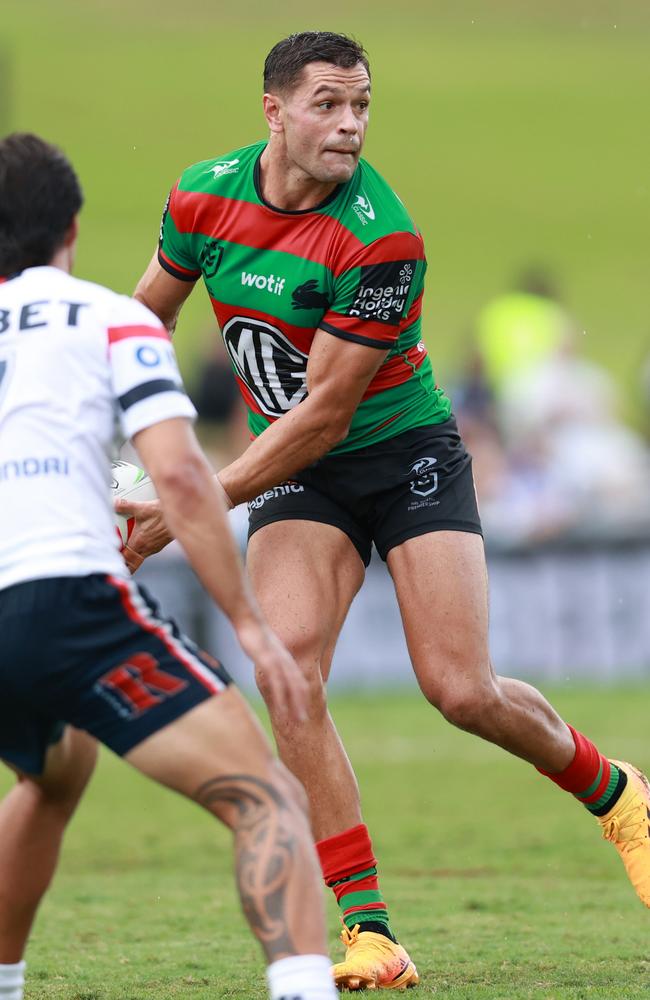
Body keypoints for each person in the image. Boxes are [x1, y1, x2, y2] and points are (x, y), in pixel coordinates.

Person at [123, 32, 650, 991]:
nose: (351, 124)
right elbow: (143, 320)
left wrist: (185, 501)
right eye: (328, 104)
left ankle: (618, 796)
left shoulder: (380, 234)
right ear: (274, 112)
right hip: (299, 471)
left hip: (401, 455)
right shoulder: (203, 194)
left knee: (460, 690)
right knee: (286, 671)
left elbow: (322, 414)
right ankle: (369, 931)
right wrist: (108, 439)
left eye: (362, 105)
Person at [0, 132, 340, 1000]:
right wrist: (251, 627)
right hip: (67, 601)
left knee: (55, 772)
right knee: (264, 796)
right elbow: (182, 477)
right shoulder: (111, 316)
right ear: (70, 228)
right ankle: (304, 987)